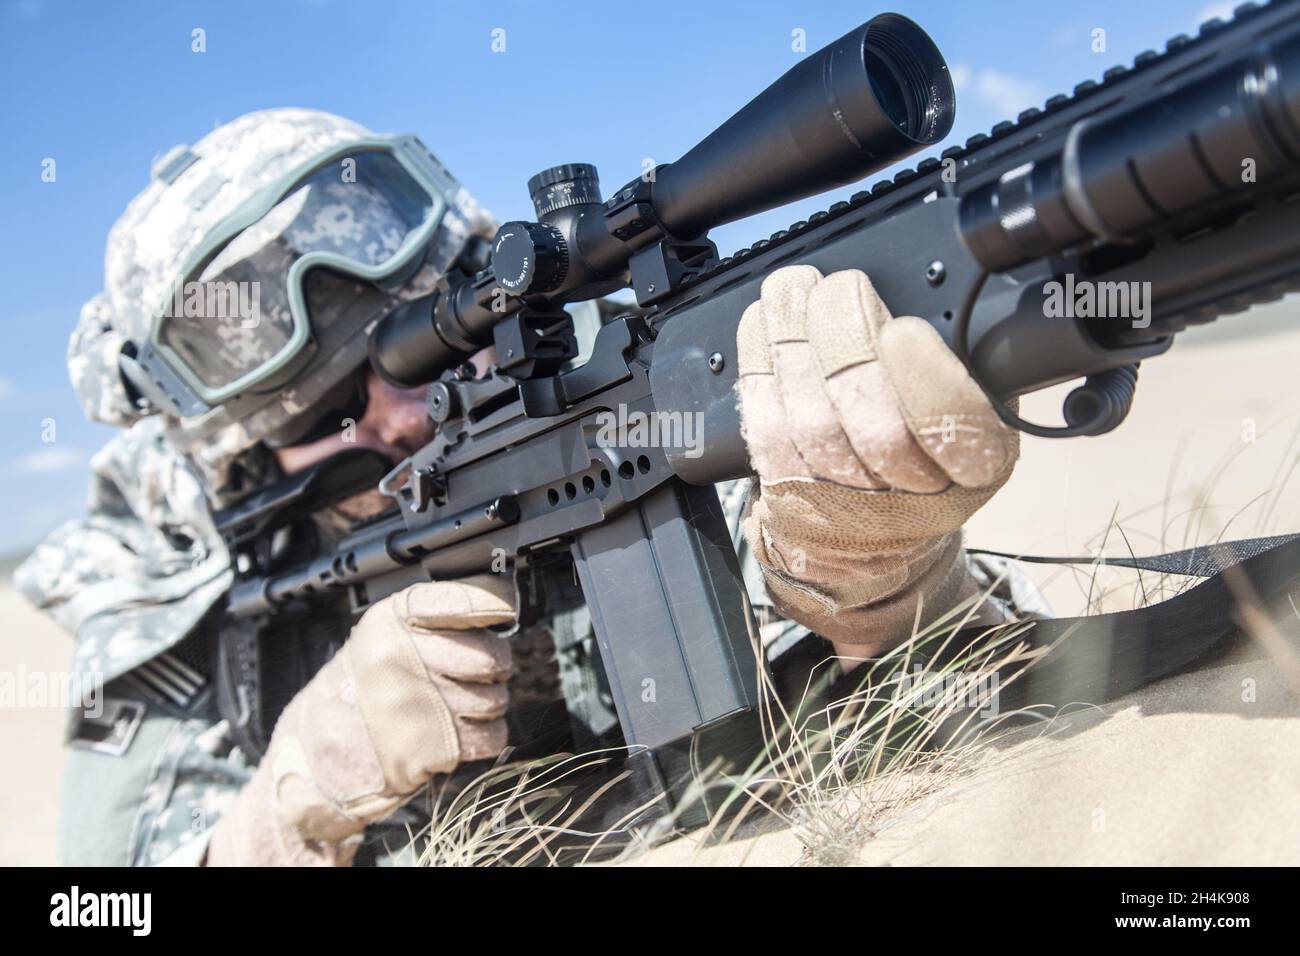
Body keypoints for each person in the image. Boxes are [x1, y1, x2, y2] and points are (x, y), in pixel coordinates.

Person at [17, 108, 1041, 866]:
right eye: (326, 409)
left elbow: (971, 691)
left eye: (419, 351)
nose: (402, 417)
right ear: (243, 460)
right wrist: (286, 813)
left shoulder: (620, 415)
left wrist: (877, 575)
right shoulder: (187, 610)